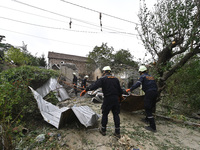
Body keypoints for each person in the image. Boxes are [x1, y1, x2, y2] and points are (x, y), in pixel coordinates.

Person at [80, 66, 123, 138]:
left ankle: (103, 130)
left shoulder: (103, 79)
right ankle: (117, 132)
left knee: (105, 114)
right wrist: (120, 97)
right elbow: (119, 89)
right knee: (116, 114)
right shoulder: (116, 79)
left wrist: (85, 90)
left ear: (104, 72)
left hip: (108, 99)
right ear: (110, 71)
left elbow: (94, 85)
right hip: (115, 99)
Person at [126, 65, 158, 132]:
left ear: (140, 72)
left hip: (149, 92)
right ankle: (147, 119)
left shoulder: (142, 76)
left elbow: (138, 84)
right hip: (155, 92)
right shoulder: (151, 77)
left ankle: (153, 127)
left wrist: (130, 89)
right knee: (150, 106)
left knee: (147, 107)